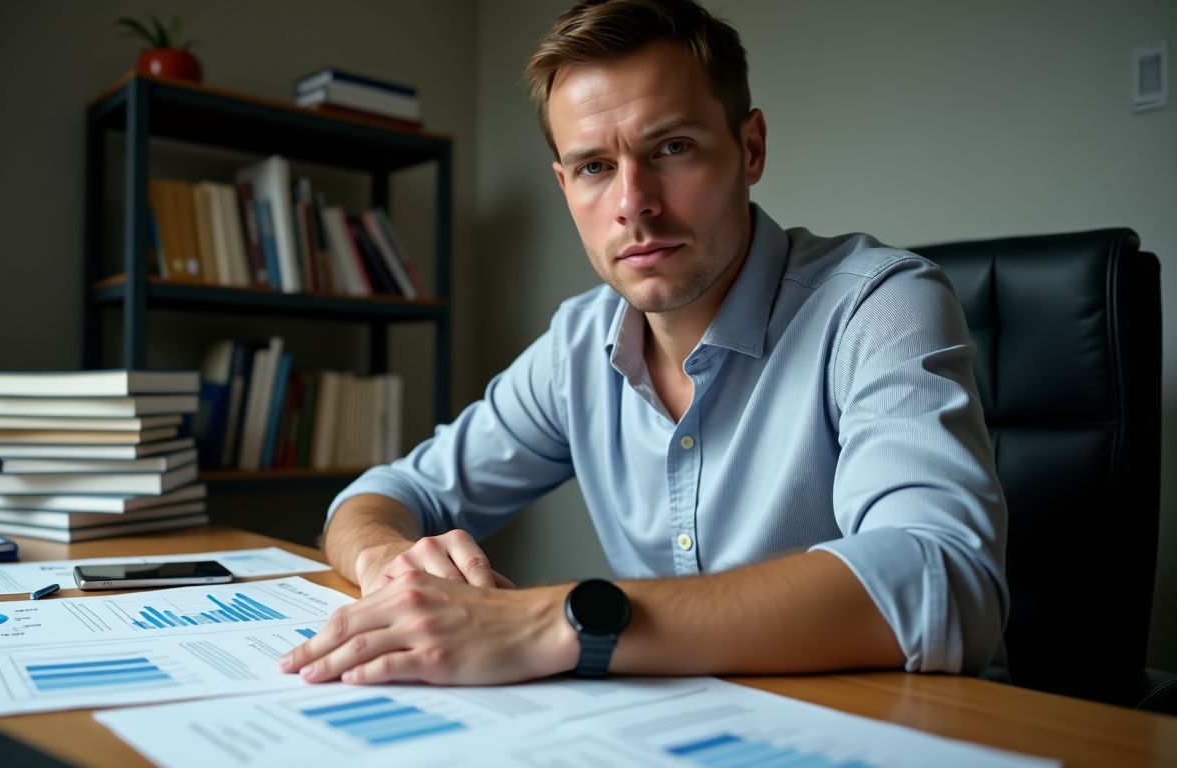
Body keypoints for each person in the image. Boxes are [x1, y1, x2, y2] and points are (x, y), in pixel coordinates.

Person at [279, 0, 1007, 687]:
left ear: (749, 149)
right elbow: (383, 495)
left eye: (674, 148)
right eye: (596, 167)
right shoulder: (578, 344)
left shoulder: (879, 305)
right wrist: (388, 563)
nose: (634, 203)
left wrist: (548, 621)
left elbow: (943, 575)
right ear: (565, 186)